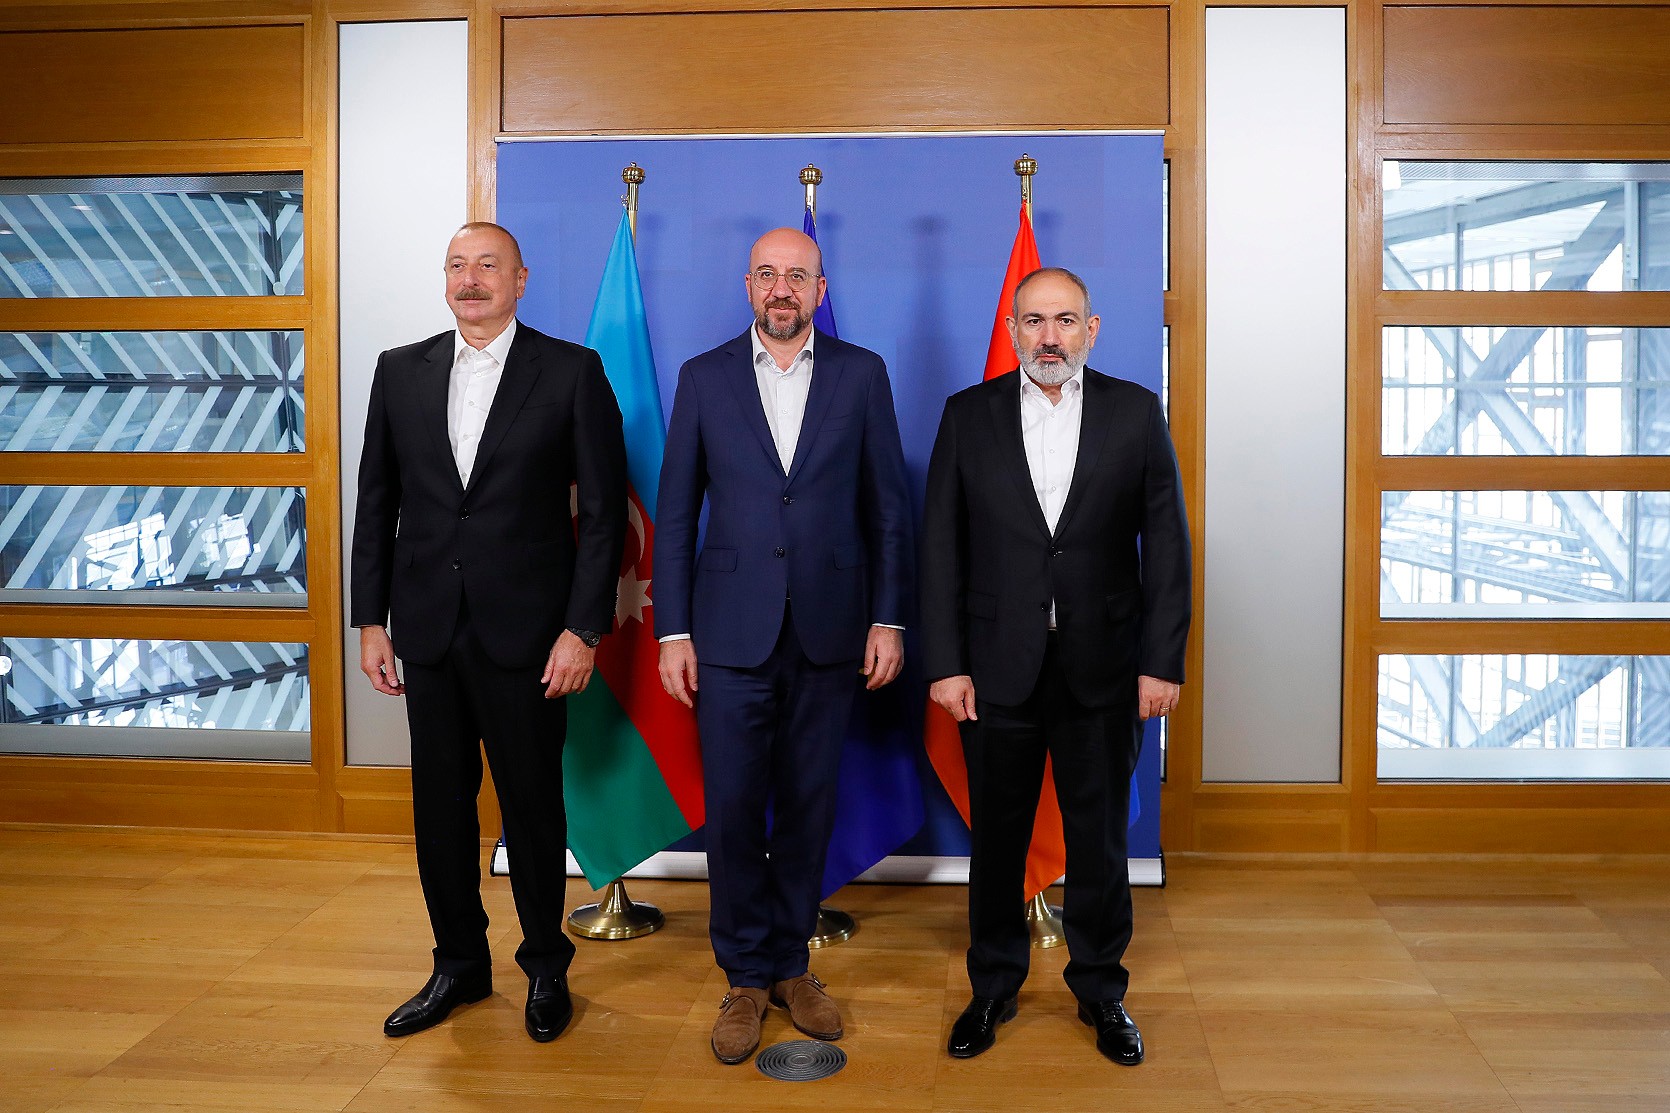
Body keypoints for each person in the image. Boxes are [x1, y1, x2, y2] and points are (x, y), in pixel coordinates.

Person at [350, 221, 626, 1043]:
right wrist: (371, 619)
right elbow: (376, 503)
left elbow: (606, 516)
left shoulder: (572, 372)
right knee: (439, 809)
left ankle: (545, 965)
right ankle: (459, 965)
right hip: (427, 629)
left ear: (521, 279)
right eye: (457, 266)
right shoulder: (400, 371)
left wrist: (583, 630)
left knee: (533, 809)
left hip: (531, 635)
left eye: (488, 267)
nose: (471, 280)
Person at [654, 227, 913, 1064]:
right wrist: (674, 629)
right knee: (730, 810)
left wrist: (888, 618)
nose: (781, 289)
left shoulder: (862, 374)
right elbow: (678, 512)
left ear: (820, 287)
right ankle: (741, 975)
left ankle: (792, 964)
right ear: (747, 285)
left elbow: (887, 509)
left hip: (833, 629)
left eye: (796, 276)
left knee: (808, 804)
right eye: (767, 274)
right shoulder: (703, 377)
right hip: (727, 633)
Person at [921, 267, 1190, 1066]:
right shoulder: (967, 417)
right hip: (993, 668)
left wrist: (1160, 661)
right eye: (1034, 321)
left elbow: (1167, 546)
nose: (1049, 337)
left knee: (1101, 841)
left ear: (1091, 330)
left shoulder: (1135, 412)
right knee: (997, 842)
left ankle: (1101, 991)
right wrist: (946, 662)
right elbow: (940, 546)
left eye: (1065, 321)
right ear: (1012, 330)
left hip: (1105, 670)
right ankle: (993, 986)